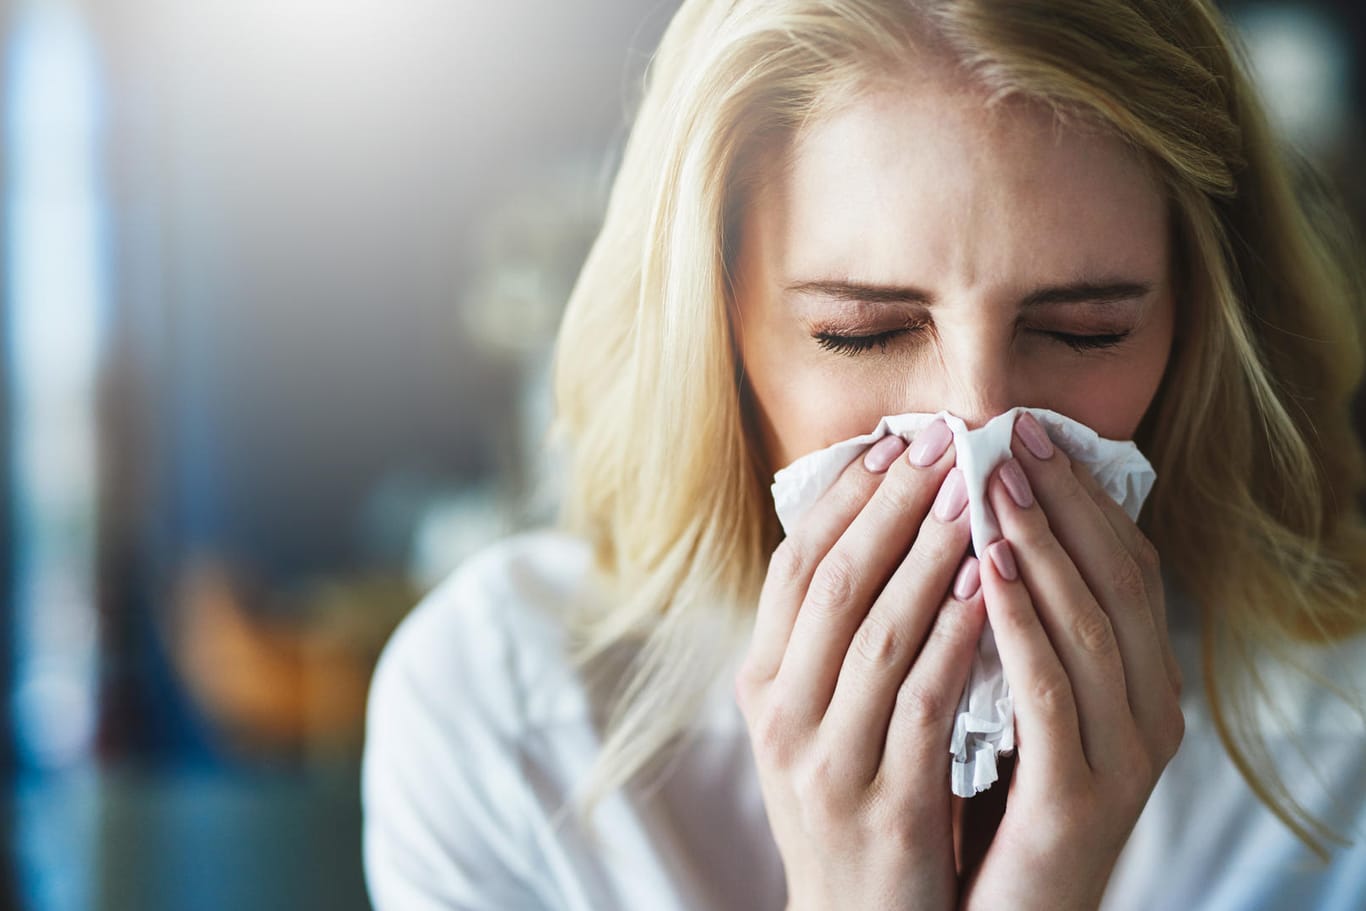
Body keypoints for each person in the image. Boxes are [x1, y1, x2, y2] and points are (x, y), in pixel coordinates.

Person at [361, 1, 1366, 908]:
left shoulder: (1340, 730)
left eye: (1085, 330)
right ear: (713, 334)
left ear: (1193, 330)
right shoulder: (508, 716)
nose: (977, 425)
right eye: (862, 333)